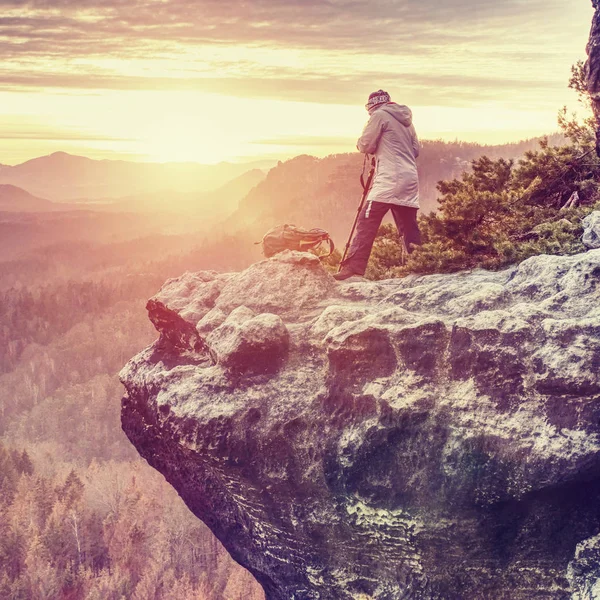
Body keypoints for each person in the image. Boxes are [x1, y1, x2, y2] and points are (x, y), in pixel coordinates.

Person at [334, 89, 422, 281]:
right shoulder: (407, 120)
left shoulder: (379, 115)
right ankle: (423, 265)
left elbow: (365, 145)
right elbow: (415, 150)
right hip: (409, 179)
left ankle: (354, 268)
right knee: (408, 226)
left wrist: (363, 144)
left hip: (389, 179)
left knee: (367, 220)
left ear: (372, 106)